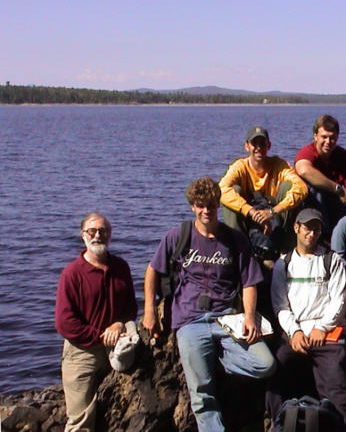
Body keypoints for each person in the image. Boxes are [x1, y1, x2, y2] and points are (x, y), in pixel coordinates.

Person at [142, 177, 276, 431]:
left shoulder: (235, 240)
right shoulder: (177, 236)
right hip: (189, 321)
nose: (206, 211)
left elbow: (249, 283)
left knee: (265, 364)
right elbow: (152, 271)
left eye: (212, 206)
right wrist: (149, 310)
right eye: (200, 205)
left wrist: (249, 317)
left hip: (226, 319)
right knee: (202, 393)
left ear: (218, 206)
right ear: (193, 206)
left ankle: (218, 358)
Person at [267, 208, 346, 430]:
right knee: (274, 375)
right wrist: (294, 333)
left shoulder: (331, 260)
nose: (312, 233)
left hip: (327, 334)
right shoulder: (283, 264)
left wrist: (322, 328)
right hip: (294, 334)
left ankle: (344, 425)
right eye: (307, 227)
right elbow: (280, 306)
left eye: (316, 228)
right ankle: (278, 423)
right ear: (296, 228)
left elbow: (339, 301)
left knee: (337, 387)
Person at [55, 213, 137, 432]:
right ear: (83, 236)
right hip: (81, 353)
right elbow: (64, 323)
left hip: (116, 346)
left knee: (120, 412)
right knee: (81, 422)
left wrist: (118, 325)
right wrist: (100, 335)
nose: (98, 235)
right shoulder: (71, 274)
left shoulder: (121, 267)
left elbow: (130, 308)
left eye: (103, 231)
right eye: (92, 231)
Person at [219, 126, 308, 262]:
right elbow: (221, 189)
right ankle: (239, 252)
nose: (259, 148)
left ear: (269, 146)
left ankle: (285, 249)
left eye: (262, 144)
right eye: (255, 144)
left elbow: (302, 188)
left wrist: (272, 212)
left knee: (288, 186)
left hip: (275, 218)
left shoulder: (279, 165)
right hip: (248, 218)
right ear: (246, 146)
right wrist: (250, 211)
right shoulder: (239, 167)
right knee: (233, 191)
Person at [294, 114, 346, 236]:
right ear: (315, 136)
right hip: (312, 207)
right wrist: (337, 189)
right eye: (323, 137)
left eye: (332, 138)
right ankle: (323, 237)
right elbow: (304, 170)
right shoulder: (308, 152)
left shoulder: (344, 157)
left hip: (337, 205)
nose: (328, 142)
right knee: (314, 190)